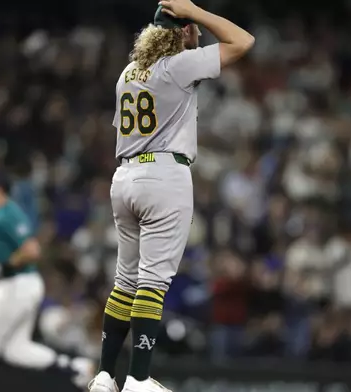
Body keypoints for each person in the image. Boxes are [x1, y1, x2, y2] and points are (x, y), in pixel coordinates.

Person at [88, 1, 254, 391]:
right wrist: (195, 11)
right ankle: (139, 379)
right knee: (152, 282)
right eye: (189, 29)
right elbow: (243, 41)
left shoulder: (128, 73)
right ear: (181, 32)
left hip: (125, 176)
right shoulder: (178, 66)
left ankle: (104, 375)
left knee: (124, 280)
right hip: (163, 175)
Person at [0, 165, 93, 392]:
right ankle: (74, 367)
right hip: (14, 286)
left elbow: (32, 250)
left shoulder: (8, 213)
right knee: (15, 348)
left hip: (16, 285)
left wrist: (2, 266)